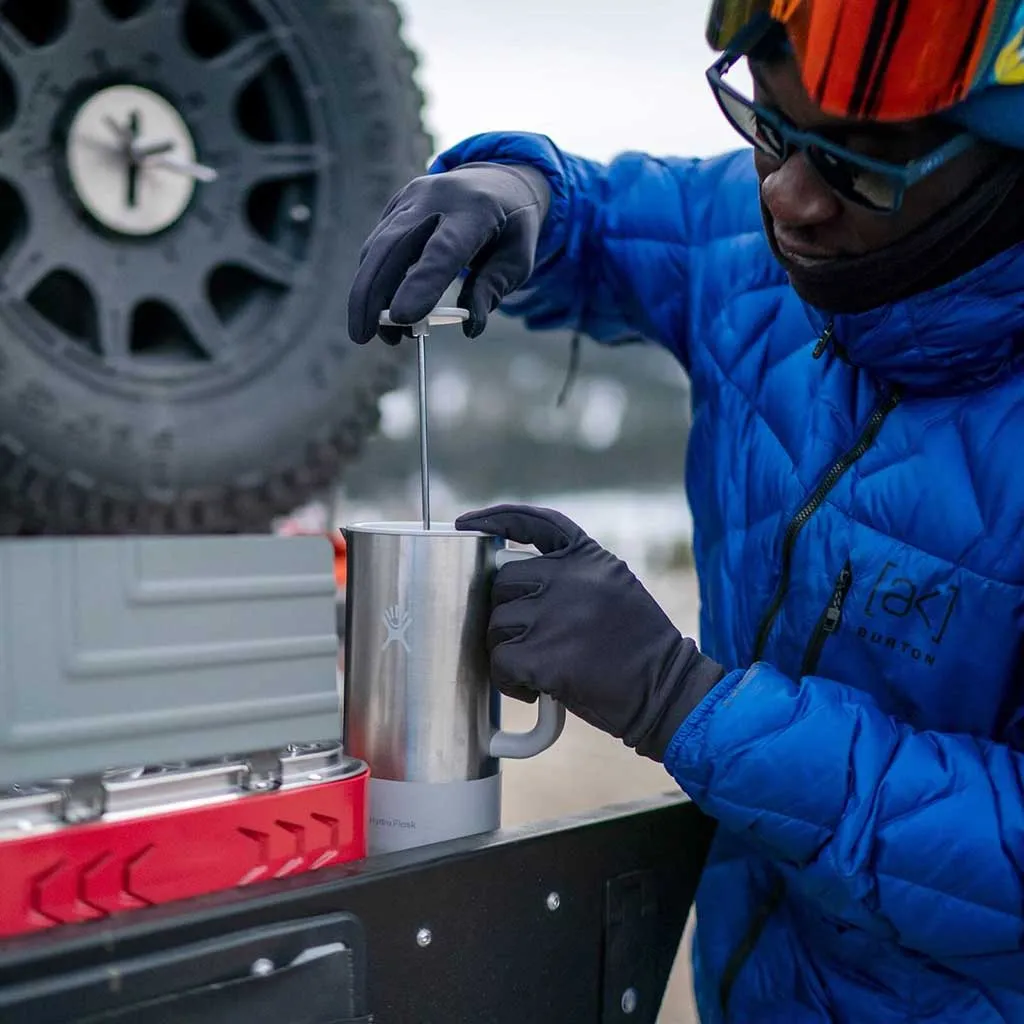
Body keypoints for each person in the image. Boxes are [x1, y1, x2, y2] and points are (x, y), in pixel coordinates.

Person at [347, 1, 1024, 1020]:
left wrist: (685, 703)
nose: (788, 197)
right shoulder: (770, 250)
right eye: (769, 129)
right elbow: (622, 220)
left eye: (857, 163)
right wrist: (522, 187)